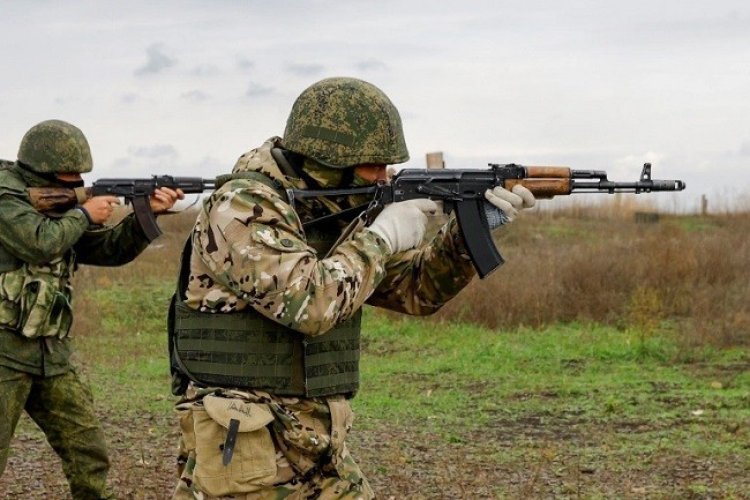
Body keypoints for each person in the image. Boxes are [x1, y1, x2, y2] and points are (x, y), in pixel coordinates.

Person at [169, 77, 535, 499]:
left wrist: (468, 233)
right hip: (245, 440)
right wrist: (380, 238)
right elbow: (309, 304)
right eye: (372, 165)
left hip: (317, 439)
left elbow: (414, 290)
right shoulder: (242, 206)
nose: (384, 177)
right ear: (326, 160)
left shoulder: (333, 207)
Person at [0, 119, 184, 499]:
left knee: (88, 451)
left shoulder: (61, 210)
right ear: (42, 170)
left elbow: (106, 250)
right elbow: (38, 243)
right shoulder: (6, 197)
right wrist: (84, 213)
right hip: (3, 355)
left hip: (50, 354)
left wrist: (145, 215)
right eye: (69, 179)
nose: (77, 185)